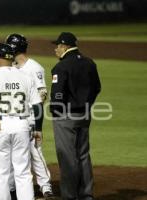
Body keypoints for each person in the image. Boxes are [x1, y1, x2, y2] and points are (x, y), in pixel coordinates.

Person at [0, 43, 44, 200]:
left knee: (1, 172)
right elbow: (37, 104)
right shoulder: (25, 76)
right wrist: (38, 129)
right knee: (23, 172)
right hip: (22, 125)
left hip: (0, 126)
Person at [50, 32, 101, 200]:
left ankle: (70, 196)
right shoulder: (89, 63)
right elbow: (97, 88)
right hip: (84, 115)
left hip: (65, 117)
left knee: (67, 158)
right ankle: (86, 194)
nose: (55, 49)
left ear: (64, 46)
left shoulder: (61, 67)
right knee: (83, 155)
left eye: (57, 46)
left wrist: (56, 112)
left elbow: (57, 94)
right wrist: (87, 105)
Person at [6, 33, 54, 199]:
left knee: (35, 153)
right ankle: (12, 188)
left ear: (14, 48)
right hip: (14, 119)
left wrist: (37, 125)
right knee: (13, 156)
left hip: (31, 118)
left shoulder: (34, 67)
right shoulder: (11, 67)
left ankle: (45, 186)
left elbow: (42, 95)